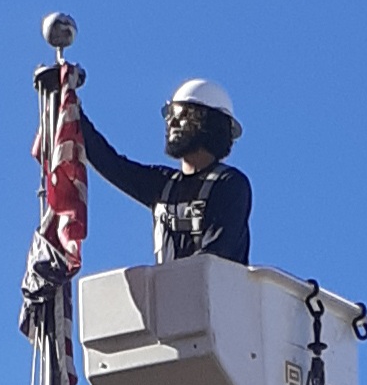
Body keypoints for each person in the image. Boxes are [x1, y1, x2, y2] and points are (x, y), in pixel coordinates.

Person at [79, 77, 251, 265]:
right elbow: (110, 163)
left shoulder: (229, 184)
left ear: (212, 123)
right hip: (169, 291)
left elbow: (216, 256)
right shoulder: (164, 184)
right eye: (170, 115)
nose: (173, 123)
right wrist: (71, 109)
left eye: (185, 114)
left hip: (213, 292)